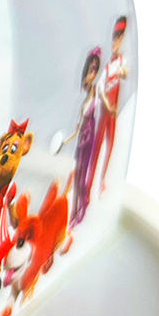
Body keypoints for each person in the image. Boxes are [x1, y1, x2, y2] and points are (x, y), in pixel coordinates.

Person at [58, 48, 101, 227]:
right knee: (78, 177)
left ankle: (82, 212)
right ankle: (76, 213)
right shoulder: (84, 104)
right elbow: (76, 130)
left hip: (90, 139)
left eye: (94, 70)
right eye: (89, 70)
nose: (91, 75)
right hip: (81, 141)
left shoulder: (97, 93)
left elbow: (105, 104)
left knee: (84, 177)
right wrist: (63, 143)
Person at [90, 16, 130, 195]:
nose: (116, 42)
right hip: (105, 112)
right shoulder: (107, 67)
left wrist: (122, 72)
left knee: (110, 144)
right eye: (115, 38)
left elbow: (126, 73)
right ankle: (92, 180)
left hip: (113, 113)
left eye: (119, 38)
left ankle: (102, 181)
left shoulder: (121, 61)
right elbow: (100, 90)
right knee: (97, 145)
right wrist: (106, 104)